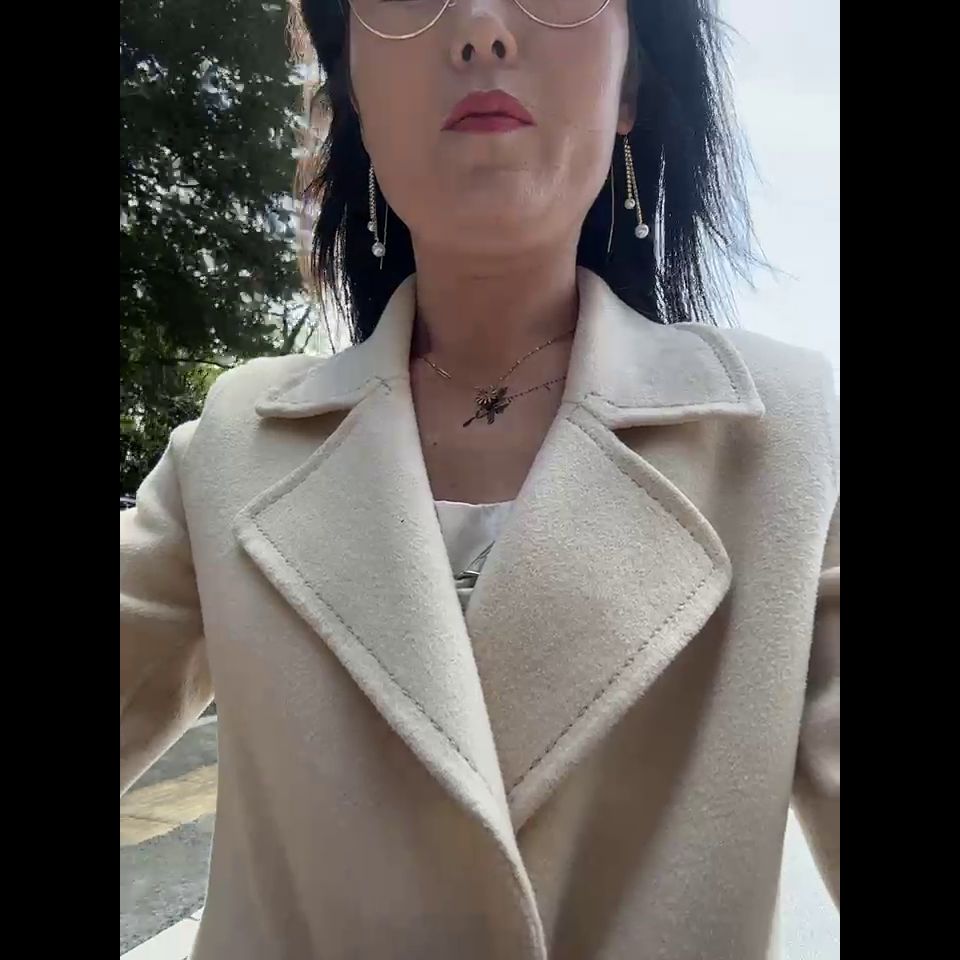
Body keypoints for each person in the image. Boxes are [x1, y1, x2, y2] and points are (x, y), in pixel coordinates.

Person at [120, 0, 839, 957]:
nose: (482, 29)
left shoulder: (792, 448)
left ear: (631, 80)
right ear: (352, 93)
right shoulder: (229, 449)